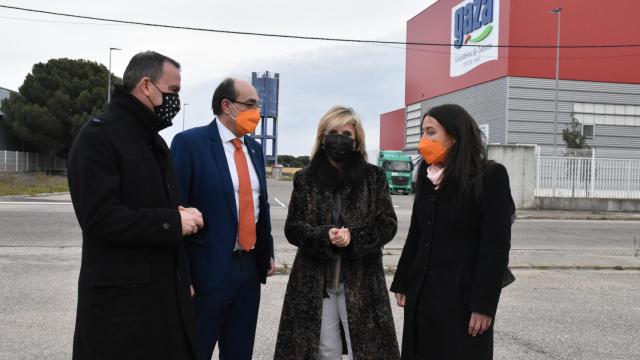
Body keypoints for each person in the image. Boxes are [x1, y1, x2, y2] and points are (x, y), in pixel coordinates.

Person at [67, 51, 204, 360]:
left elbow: (150, 202)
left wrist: (182, 278)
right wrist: (171, 222)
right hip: (122, 311)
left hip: (164, 301)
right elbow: (100, 218)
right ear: (146, 85)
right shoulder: (98, 137)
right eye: (172, 91)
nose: (175, 100)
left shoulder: (153, 141)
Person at [274, 106, 400, 359]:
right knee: (325, 350)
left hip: (362, 280)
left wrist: (354, 237)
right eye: (333, 132)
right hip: (315, 282)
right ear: (323, 137)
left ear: (356, 140)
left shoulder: (373, 177)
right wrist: (324, 236)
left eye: (346, 133)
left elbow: (387, 224)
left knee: (364, 349)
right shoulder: (305, 178)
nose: (339, 138)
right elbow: (293, 228)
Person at [390, 104, 514, 359]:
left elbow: (496, 248)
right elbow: (417, 234)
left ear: (454, 136)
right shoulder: (427, 174)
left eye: (431, 132)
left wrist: (484, 305)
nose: (424, 141)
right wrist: (403, 279)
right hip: (423, 293)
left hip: (462, 300)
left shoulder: (490, 176)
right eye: (422, 133)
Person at [170, 77, 276, 360]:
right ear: (226, 106)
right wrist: (181, 274)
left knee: (239, 351)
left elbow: (259, 205)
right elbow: (174, 209)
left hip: (248, 269)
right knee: (195, 350)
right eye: (251, 104)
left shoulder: (253, 149)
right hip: (206, 272)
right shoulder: (190, 144)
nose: (258, 112)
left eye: (258, 105)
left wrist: (267, 251)